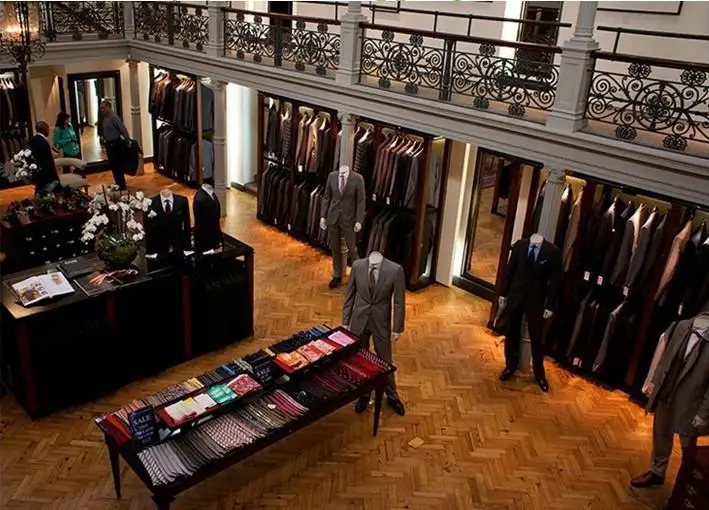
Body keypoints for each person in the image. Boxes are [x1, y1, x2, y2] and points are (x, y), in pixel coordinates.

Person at [100, 100, 130, 190]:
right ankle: (118, 183)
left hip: (115, 144)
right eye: (101, 109)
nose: (102, 110)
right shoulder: (105, 118)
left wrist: (128, 140)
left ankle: (122, 185)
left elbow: (123, 129)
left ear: (108, 107)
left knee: (118, 165)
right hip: (109, 144)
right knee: (113, 166)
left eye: (103, 108)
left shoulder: (114, 117)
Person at [29, 121, 60, 191]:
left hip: (39, 172)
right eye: (47, 129)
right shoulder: (42, 141)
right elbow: (47, 160)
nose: (49, 131)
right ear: (44, 130)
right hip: (46, 173)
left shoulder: (34, 139)